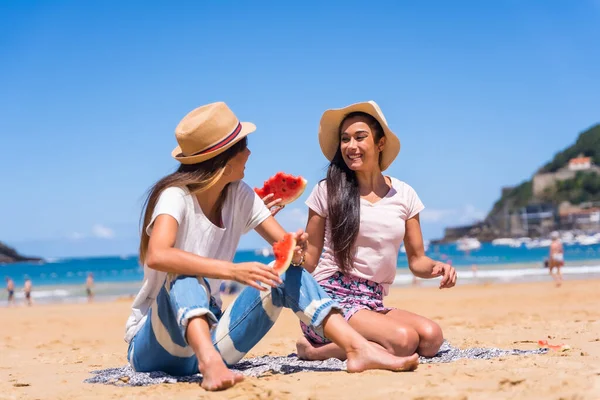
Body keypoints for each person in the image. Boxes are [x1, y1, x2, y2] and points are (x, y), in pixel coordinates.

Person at [124, 102, 418, 392]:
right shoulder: (175, 196)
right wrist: (233, 271)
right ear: (223, 158)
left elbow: (289, 251)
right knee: (182, 271)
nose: (249, 153)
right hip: (157, 347)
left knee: (283, 271)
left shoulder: (240, 195)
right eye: (243, 146)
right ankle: (209, 362)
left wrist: (297, 250)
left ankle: (357, 349)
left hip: (214, 334)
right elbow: (158, 254)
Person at [295, 101, 457, 362]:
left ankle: (336, 348)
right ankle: (315, 351)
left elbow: (417, 261)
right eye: (345, 139)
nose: (351, 146)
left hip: (372, 301)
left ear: (380, 143)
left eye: (360, 137)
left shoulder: (404, 195)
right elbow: (310, 259)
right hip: (329, 299)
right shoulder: (327, 190)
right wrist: (295, 255)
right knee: (404, 341)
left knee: (431, 338)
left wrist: (437, 267)